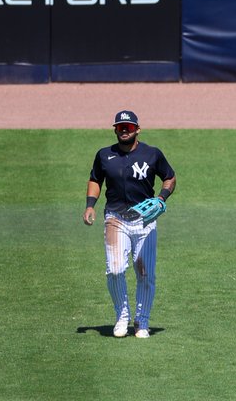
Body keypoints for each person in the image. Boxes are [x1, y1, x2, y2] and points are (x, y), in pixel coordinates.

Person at [83, 110, 176, 339]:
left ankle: (142, 321)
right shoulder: (104, 155)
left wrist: (162, 198)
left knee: (145, 273)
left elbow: (170, 177)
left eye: (129, 127)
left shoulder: (152, 154)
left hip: (145, 221)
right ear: (115, 129)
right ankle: (122, 316)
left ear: (138, 130)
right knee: (114, 270)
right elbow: (95, 179)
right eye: (120, 127)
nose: (125, 130)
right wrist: (90, 205)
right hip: (115, 218)